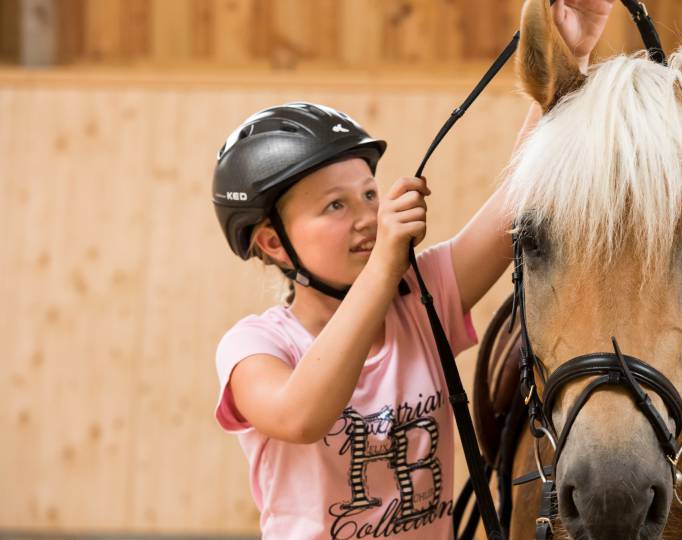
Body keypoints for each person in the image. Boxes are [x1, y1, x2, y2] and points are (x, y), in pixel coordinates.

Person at [210, 2, 612, 538]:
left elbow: (520, 199)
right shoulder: (253, 347)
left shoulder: (422, 296)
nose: (366, 217)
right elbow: (303, 416)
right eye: (335, 206)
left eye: (369, 195)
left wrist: (571, 56)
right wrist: (383, 266)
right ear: (272, 243)